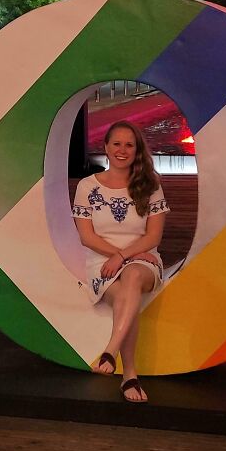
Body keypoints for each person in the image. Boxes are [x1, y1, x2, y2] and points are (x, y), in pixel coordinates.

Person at [72, 120, 169, 403]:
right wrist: (120, 256)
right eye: (116, 144)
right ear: (105, 147)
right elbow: (86, 237)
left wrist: (125, 257)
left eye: (129, 144)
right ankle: (129, 376)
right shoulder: (87, 186)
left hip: (143, 262)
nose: (122, 150)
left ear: (137, 150)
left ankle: (111, 352)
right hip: (102, 264)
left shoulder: (150, 184)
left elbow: (153, 236)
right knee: (128, 297)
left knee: (134, 277)